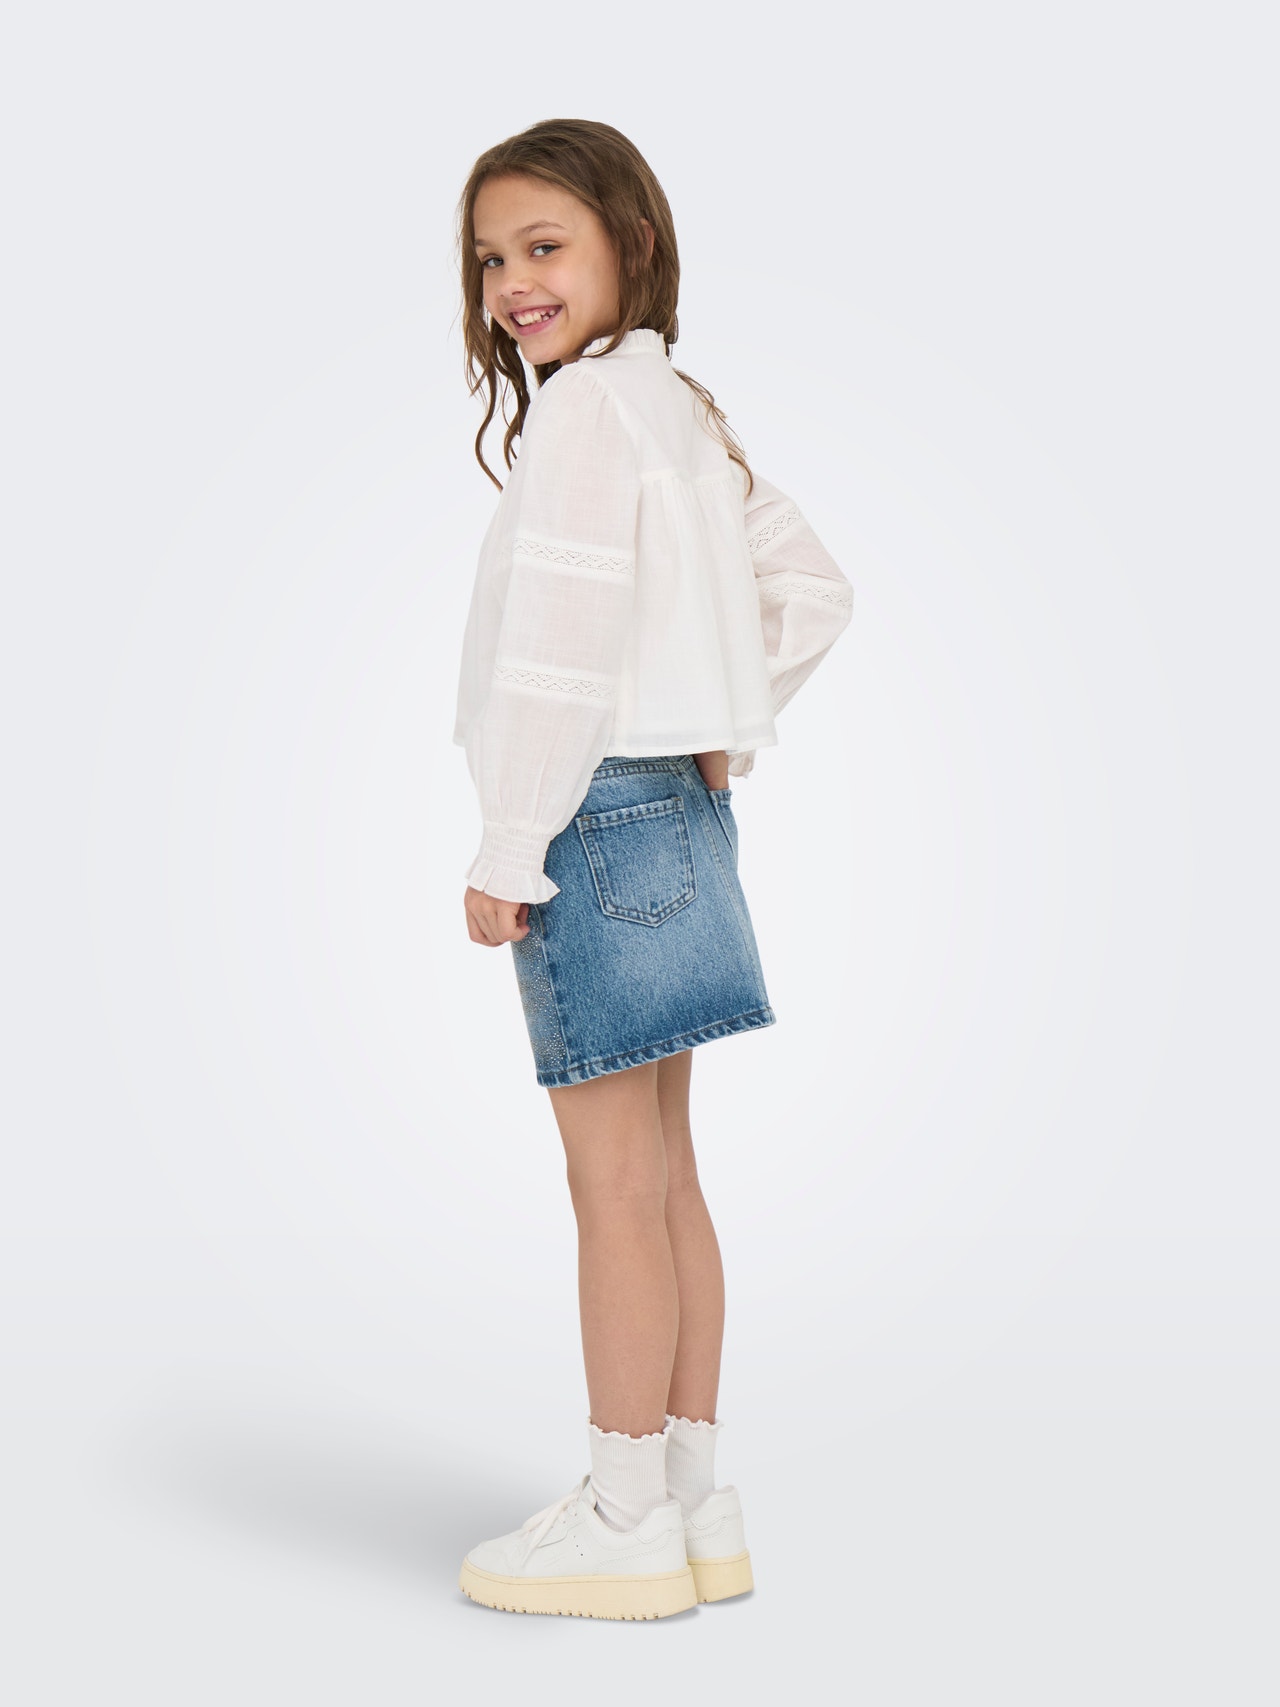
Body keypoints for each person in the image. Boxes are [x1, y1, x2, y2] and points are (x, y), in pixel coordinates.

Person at [451, 120, 854, 1620]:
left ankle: (623, 1520)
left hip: (589, 818)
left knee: (611, 1185)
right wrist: (718, 718)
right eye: (490, 259)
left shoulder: (581, 416)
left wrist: (512, 844)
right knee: (668, 1174)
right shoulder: (674, 404)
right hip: (675, 813)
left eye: (543, 245)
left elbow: (556, 656)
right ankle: (693, 1502)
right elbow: (810, 587)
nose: (511, 282)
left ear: (630, 240)